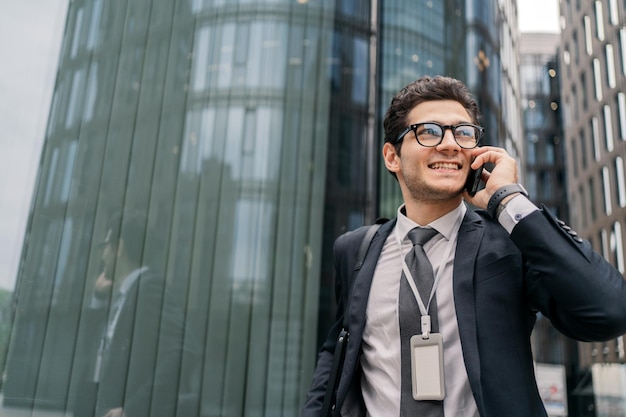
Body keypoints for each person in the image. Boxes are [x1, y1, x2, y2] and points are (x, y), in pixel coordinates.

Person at [302, 75, 626, 417]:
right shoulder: (355, 250)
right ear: (392, 156)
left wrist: (508, 200)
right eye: (429, 131)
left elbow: (609, 312)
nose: (450, 144)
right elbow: (336, 351)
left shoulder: (508, 243)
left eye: (463, 133)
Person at [74, 210, 193, 417]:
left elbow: (183, 350)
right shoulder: (123, 293)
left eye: (105, 246)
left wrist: (133, 409)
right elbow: (92, 346)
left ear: (118, 247)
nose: (102, 254)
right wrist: (99, 297)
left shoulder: (150, 287)